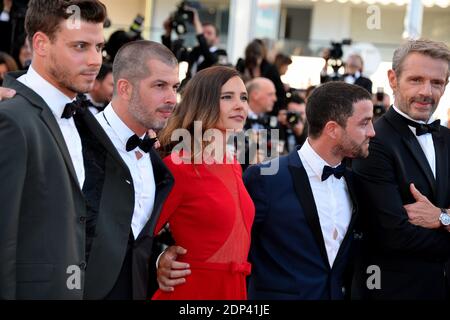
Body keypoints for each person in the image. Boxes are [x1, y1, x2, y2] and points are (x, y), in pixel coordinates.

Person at [157, 81, 375, 300]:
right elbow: (219, 233)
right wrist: (162, 258)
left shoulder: (359, 185)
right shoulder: (266, 178)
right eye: (364, 123)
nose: (372, 132)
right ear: (332, 129)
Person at [0, 0, 133, 300]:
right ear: (41, 44)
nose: (95, 60)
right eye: (80, 46)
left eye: (98, 47)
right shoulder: (11, 119)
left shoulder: (81, 117)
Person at [351, 39, 450, 300]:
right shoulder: (373, 141)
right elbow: (393, 235)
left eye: (437, 82)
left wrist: (441, 217)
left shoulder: (448, 139)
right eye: (416, 79)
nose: (427, 91)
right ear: (393, 79)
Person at [152, 66, 255, 300]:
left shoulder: (233, 163)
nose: (240, 105)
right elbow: (135, 235)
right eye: (227, 97)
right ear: (203, 102)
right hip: (192, 290)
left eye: (244, 97)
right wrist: (160, 258)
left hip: (234, 290)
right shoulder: (178, 165)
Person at [87, 40, 179, 300]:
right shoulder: (80, 143)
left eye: (175, 87)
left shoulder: (157, 161)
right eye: (160, 86)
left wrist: (161, 256)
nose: (172, 99)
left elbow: (139, 237)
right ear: (125, 88)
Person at [162, 6, 227, 84]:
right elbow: (171, 57)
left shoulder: (221, 53)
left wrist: (197, 24)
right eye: (203, 33)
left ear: (217, 39)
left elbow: (209, 58)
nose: (205, 36)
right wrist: (168, 32)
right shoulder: (195, 51)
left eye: (209, 33)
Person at [236, 39, 286, 115]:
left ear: (261, 56)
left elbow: (280, 94)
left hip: (266, 111)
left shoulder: (270, 69)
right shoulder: (242, 66)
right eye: (251, 63)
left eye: (256, 61)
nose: (254, 66)